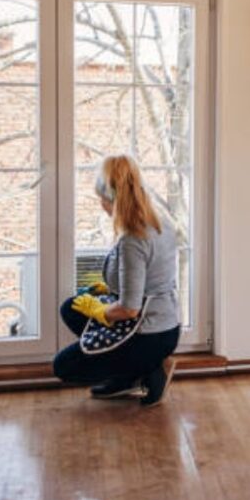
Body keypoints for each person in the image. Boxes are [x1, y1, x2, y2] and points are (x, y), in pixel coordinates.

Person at [52, 154, 180, 405]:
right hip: (166, 324)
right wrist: (107, 290)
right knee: (72, 308)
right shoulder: (160, 218)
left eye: (101, 199)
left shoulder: (134, 238)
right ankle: (132, 373)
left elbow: (130, 309)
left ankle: (146, 369)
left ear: (111, 200)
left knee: (64, 367)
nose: (101, 205)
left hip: (148, 332)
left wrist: (100, 311)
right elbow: (147, 278)